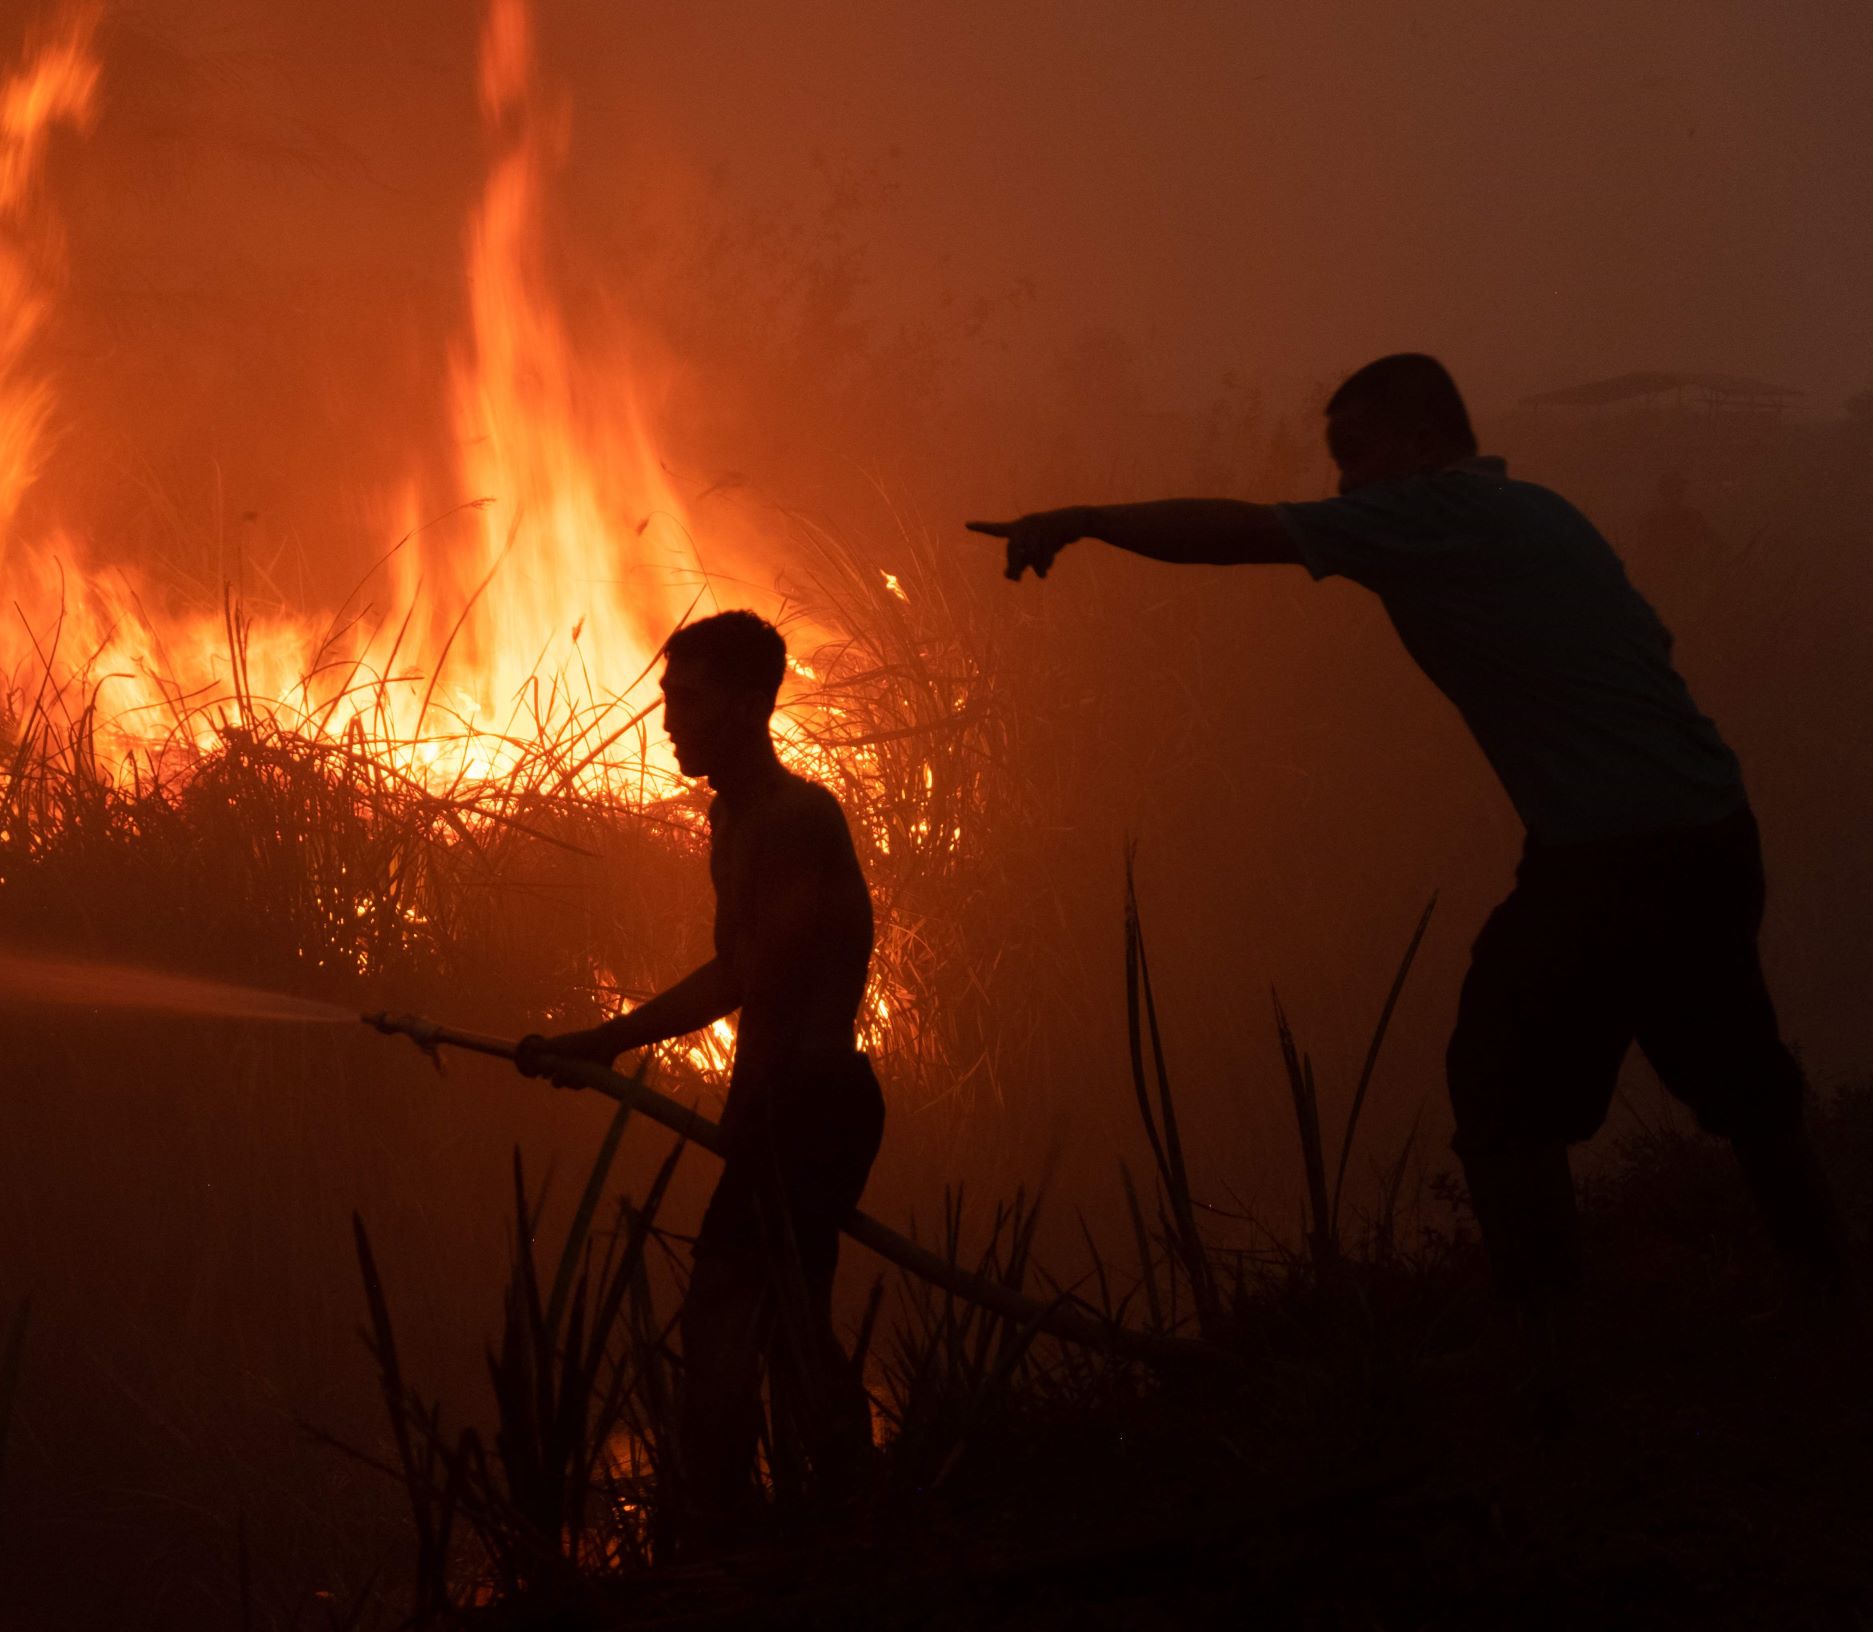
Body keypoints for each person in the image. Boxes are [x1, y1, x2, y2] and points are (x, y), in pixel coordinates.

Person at [968, 353, 1848, 1349]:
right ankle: (1822, 1287)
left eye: (1355, 454)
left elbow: (1243, 532)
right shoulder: (1544, 515)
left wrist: (1082, 519)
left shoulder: (1437, 514)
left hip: (1614, 854)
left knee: (1500, 1086)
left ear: (1425, 443)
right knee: (1737, 1076)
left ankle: (1550, 1342)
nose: (1342, 481)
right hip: (1704, 828)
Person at [516, 609, 882, 1540]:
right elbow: (738, 967)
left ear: (750, 702)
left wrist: (617, 1047)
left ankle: (719, 1537)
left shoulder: (799, 819)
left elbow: (760, 977)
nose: (669, 720)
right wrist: (601, 1043)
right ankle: (834, 1527)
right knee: (785, 1328)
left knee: (732, 1326)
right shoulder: (733, 816)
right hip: (778, 1111)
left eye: (687, 700)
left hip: (811, 1109)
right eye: (667, 699)